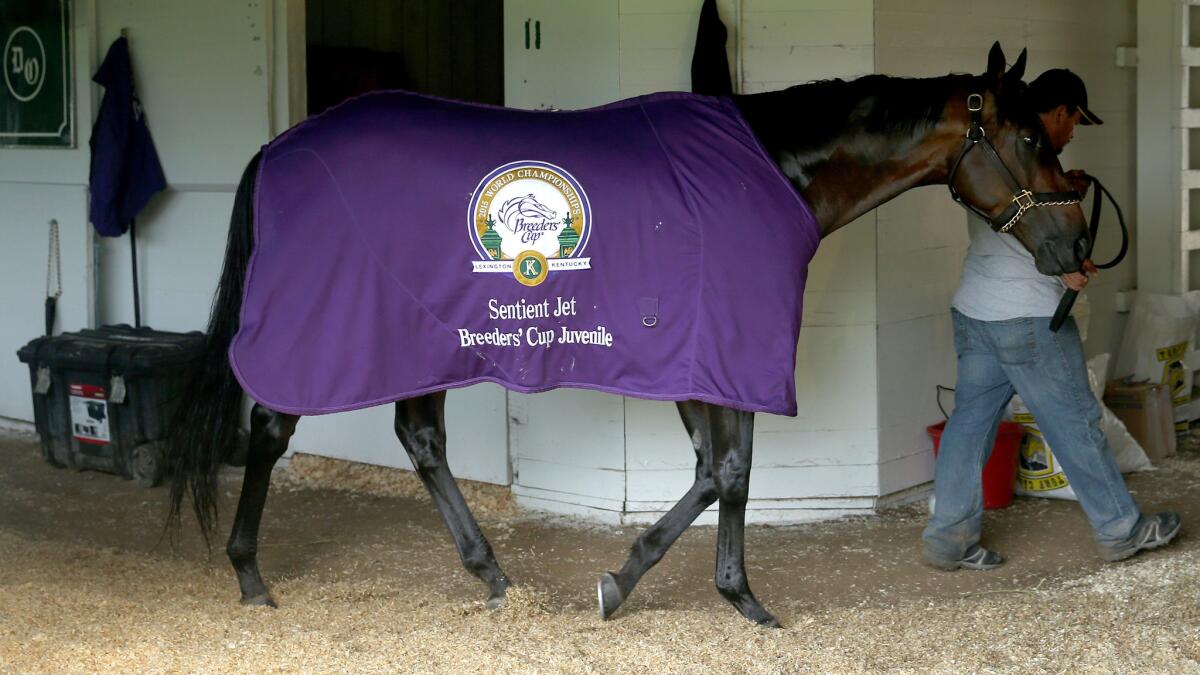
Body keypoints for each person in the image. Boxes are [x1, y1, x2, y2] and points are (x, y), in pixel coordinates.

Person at [923, 68, 1181, 570]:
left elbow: (1015, 219)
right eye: (1075, 122)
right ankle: (1121, 529)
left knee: (970, 423)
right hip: (1027, 318)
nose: (1072, 134)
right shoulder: (1028, 156)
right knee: (1075, 423)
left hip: (975, 310)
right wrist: (1071, 275)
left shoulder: (992, 147)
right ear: (1060, 111)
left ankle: (947, 540)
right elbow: (1039, 239)